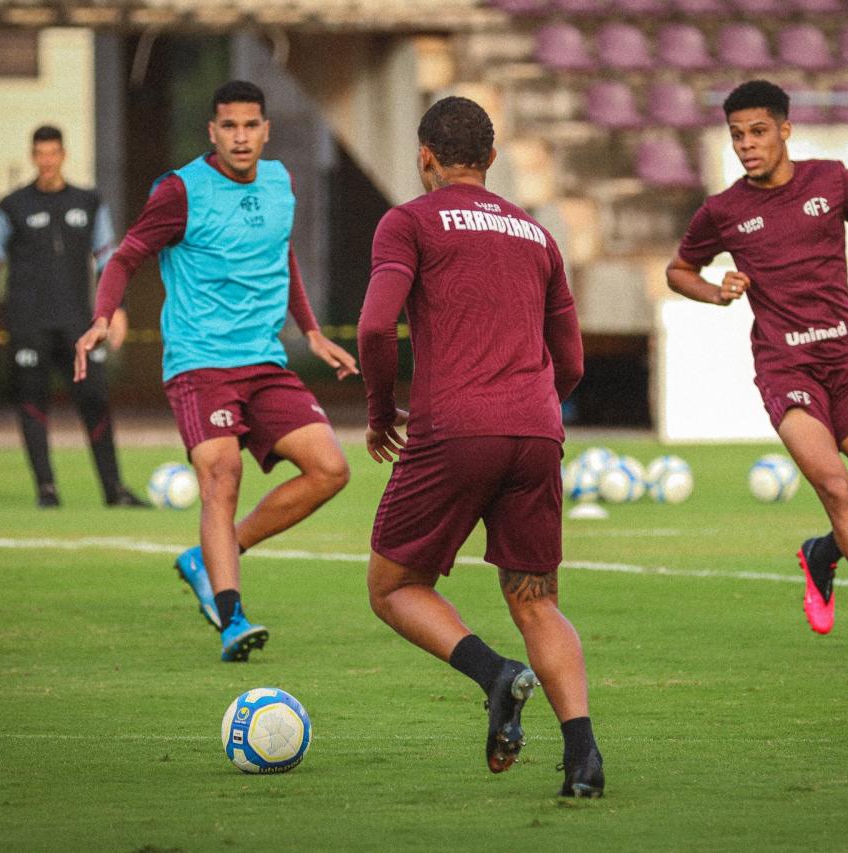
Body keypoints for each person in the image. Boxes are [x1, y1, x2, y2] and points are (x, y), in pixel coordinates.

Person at [357, 96, 602, 795]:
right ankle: (583, 758)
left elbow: (375, 328)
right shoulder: (536, 233)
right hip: (535, 429)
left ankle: (496, 676)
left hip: (455, 428)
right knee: (537, 599)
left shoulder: (407, 222)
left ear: (424, 155)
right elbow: (573, 359)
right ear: (491, 161)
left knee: (393, 585)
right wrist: (534, 408)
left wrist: (380, 413)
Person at [74, 80, 358, 662]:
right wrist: (104, 315)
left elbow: (281, 254)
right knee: (221, 473)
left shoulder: (282, 182)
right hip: (200, 363)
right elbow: (126, 253)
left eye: (251, 125)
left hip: (265, 362)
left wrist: (310, 331)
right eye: (229, 126)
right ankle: (232, 617)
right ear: (212, 131)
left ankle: (213, 555)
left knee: (330, 469)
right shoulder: (181, 191)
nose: (241, 137)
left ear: (266, 129)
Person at [665, 80, 848, 665]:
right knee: (836, 487)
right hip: (786, 367)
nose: (746, 145)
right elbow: (678, 269)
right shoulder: (724, 210)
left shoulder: (830, 180)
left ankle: (822, 554)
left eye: (758, 132)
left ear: (785, 129)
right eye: (737, 136)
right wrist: (716, 292)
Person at [0, 125, 147, 509]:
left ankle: (114, 490)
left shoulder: (89, 202)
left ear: (63, 155)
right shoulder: (12, 206)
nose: (47, 161)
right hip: (28, 324)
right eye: (40, 154)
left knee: (95, 401)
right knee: (32, 404)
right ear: (33, 156)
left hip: (77, 326)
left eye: (53, 153)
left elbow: (109, 261)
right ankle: (46, 489)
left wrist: (118, 309)